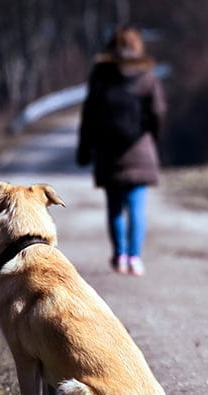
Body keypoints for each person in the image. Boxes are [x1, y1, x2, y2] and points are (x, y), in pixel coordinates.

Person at [76, 26, 166, 276]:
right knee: (137, 208)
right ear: (138, 46)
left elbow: (89, 115)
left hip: (108, 152)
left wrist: (85, 148)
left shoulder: (100, 74)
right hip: (140, 149)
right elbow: (158, 112)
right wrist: (152, 139)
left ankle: (120, 256)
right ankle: (135, 258)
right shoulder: (147, 75)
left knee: (115, 208)